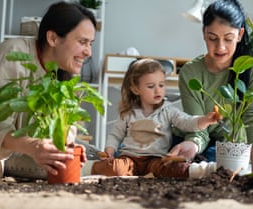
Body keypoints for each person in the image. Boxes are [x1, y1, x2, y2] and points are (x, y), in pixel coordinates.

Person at [0, 1, 97, 179]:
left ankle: (104, 165)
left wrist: (69, 142)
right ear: (53, 39)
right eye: (82, 42)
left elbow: (64, 127)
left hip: (31, 146)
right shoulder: (15, 54)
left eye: (91, 44)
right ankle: (100, 169)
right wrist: (34, 146)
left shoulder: (62, 71)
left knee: (98, 154)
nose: (89, 52)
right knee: (91, 166)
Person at [170, 0, 253, 175]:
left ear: (240, 34)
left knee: (225, 169)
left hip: (234, 146)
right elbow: (197, 126)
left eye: (228, 39)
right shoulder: (190, 73)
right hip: (202, 142)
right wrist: (192, 145)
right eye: (212, 38)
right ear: (204, 34)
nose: (220, 47)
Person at [91, 58, 219, 178]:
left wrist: (206, 120)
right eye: (151, 86)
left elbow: (188, 122)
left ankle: (204, 169)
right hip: (130, 158)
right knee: (115, 168)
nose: (158, 91)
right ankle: (85, 167)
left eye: (161, 85)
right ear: (136, 89)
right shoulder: (128, 113)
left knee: (174, 169)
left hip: (156, 160)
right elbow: (115, 135)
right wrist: (110, 149)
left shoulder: (168, 110)